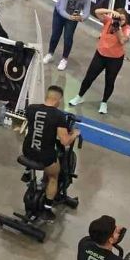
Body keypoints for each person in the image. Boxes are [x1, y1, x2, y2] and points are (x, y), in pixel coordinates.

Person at [23, 85, 80, 221]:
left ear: (47, 96)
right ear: (58, 100)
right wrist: (75, 134)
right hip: (44, 156)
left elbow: (36, 127)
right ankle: (47, 209)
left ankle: (27, 172)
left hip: (27, 150)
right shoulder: (58, 115)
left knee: (37, 150)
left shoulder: (31, 108)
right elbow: (64, 141)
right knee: (54, 176)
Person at [68, 8, 130, 115]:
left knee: (110, 81)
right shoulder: (108, 21)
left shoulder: (127, 28)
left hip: (115, 59)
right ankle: (79, 96)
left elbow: (122, 41)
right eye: (119, 18)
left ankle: (104, 102)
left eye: (123, 19)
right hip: (100, 55)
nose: (120, 21)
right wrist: (111, 12)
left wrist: (118, 28)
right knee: (89, 77)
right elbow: (97, 11)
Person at [46, 0, 91, 71]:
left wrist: (81, 18)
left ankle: (64, 59)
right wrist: (70, 17)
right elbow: (61, 9)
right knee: (55, 34)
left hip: (73, 17)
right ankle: (50, 54)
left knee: (68, 38)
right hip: (59, 14)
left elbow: (86, 13)